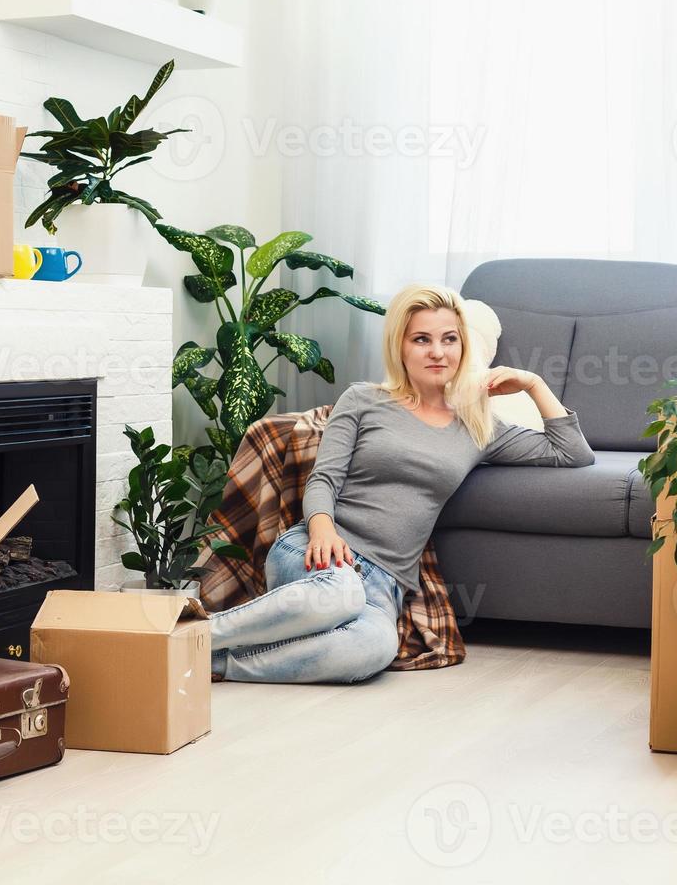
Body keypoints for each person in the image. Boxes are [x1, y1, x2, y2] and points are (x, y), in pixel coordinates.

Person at [209, 284, 596, 683]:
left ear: (463, 346)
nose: (438, 352)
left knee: (372, 649)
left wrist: (532, 383)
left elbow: (572, 452)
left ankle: (210, 663)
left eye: (449, 339)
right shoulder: (364, 399)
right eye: (422, 340)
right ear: (400, 347)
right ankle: (193, 633)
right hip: (319, 552)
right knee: (337, 595)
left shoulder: (480, 426)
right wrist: (322, 529)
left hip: (384, 583)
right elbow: (324, 476)